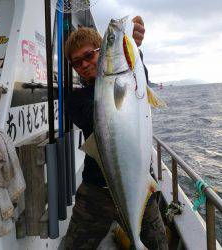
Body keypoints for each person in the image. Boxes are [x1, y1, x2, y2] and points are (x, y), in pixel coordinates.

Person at [63, 16, 168, 250]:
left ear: (103, 52)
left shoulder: (128, 78)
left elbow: (138, 87)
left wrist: (134, 51)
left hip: (139, 183)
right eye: (76, 63)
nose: (84, 65)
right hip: (95, 191)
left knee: (159, 246)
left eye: (89, 56)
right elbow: (97, 118)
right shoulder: (75, 99)